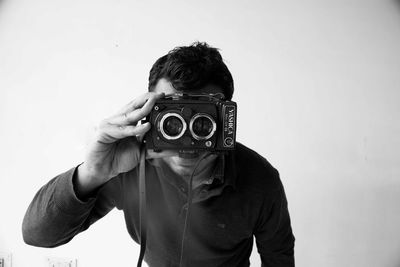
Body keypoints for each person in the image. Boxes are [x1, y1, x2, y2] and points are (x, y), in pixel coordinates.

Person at [22, 42, 295, 267]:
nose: (187, 138)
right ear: (149, 110)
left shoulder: (261, 179)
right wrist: (93, 172)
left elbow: (278, 258)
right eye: (172, 120)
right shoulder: (127, 163)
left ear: (225, 119)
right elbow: (38, 235)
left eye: (203, 121)